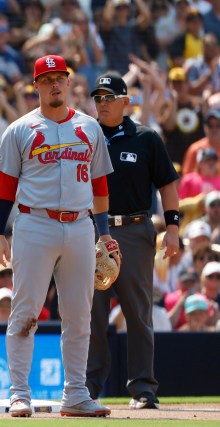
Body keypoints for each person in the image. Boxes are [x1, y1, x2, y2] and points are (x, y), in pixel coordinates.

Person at [0, 55, 115, 417]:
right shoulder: (20, 129)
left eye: (60, 78)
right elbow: (5, 186)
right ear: (37, 86)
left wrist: (104, 233)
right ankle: (19, 393)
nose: (55, 85)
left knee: (79, 316)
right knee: (25, 312)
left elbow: (100, 184)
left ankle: (76, 394)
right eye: (47, 80)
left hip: (80, 225)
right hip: (35, 224)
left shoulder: (90, 127)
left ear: (69, 82)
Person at [85, 73, 180, 410]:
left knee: (138, 312)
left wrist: (173, 227)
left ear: (126, 101)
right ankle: (88, 388)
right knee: (90, 313)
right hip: (91, 230)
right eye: (98, 97)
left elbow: (167, 184)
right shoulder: (83, 135)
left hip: (135, 230)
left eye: (110, 97)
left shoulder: (146, 137)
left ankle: (142, 388)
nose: (103, 103)